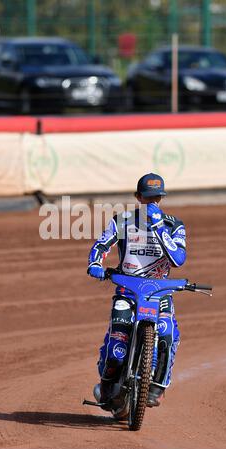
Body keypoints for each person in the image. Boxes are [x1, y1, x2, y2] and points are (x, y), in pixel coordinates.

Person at [87, 173, 186, 409]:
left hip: (159, 293)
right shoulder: (122, 220)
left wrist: (159, 227)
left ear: (161, 198)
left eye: (156, 197)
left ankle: (157, 387)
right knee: (116, 349)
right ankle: (107, 383)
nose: (152, 202)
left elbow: (178, 260)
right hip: (127, 291)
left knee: (167, 334)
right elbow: (102, 244)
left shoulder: (174, 225)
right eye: (147, 197)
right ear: (138, 197)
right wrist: (95, 263)